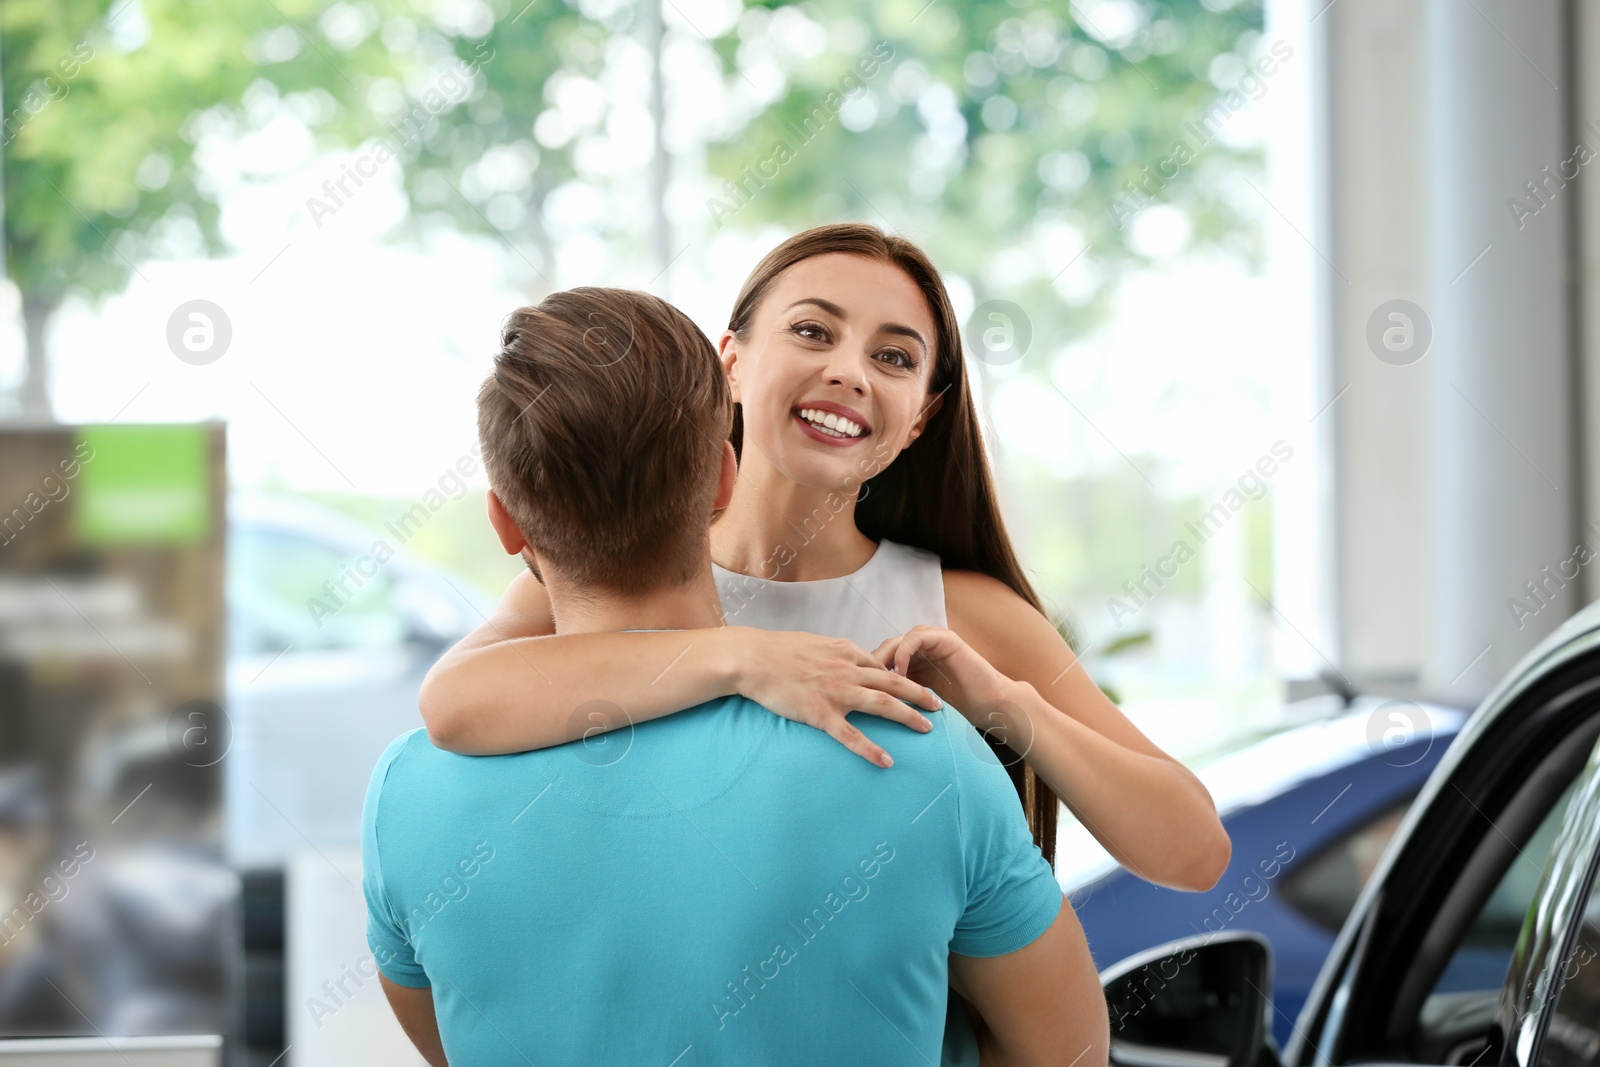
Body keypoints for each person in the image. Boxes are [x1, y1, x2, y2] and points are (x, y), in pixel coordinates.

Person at [361, 287, 1109, 1066]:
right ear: (723, 478)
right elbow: (1072, 1053)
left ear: (505, 521)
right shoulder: (917, 750)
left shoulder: (406, 795)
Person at [419, 223, 1230, 890]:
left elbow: (1194, 852)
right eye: (813, 331)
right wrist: (744, 657)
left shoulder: (965, 612)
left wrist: (1006, 706)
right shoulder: (623, 571)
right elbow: (453, 704)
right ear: (731, 362)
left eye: (895, 357)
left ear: (920, 419)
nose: (848, 371)